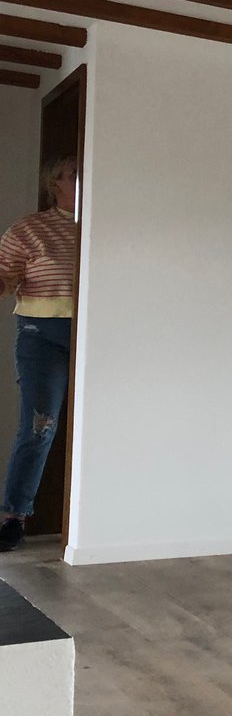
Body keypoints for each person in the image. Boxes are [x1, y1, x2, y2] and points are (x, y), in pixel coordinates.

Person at [0, 155, 80, 551]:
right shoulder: (29, 230)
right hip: (41, 334)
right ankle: (13, 516)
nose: (81, 179)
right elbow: (3, 273)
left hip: (96, 333)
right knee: (39, 425)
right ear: (55, 184)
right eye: (73, 174)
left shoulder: (104, 224)